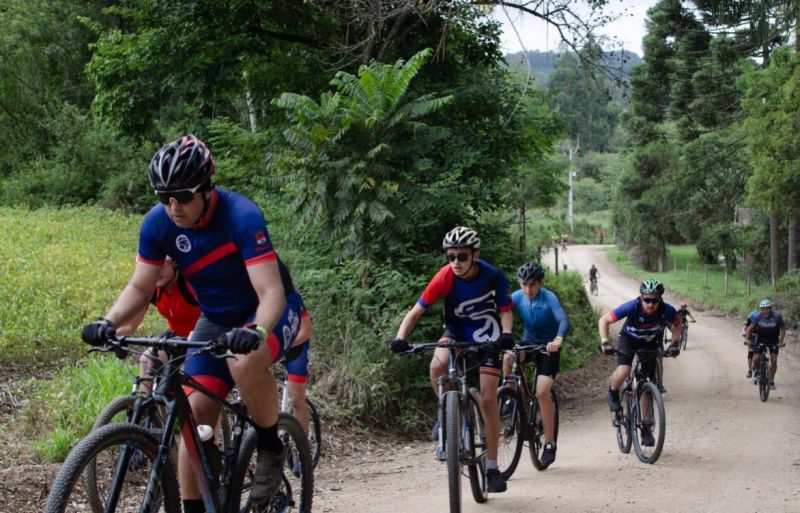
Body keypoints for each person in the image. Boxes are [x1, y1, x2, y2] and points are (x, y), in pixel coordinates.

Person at [81, 134, 302, 512]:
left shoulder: (241, 216)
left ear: (206, 188)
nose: (173, 206)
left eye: (183, 196)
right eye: (163, 196)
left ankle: (270, 446)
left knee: (245, 359)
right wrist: (109, 321)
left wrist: (256, 332)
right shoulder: (158, 224)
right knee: (192, 419)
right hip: (215, 318)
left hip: (268, 310)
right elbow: (140, 285)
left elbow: (271, 293)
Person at [390, 226, 513, 493]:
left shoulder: (493, 276)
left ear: (475, 255)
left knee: (489, 398)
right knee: (436, 366)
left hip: (489, 336)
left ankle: (492, 467)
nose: (456, 262)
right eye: (451, 256)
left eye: (462, 256)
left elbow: (505, 311)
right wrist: (400, 338)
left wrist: (506, 334)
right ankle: (446, 413)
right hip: (456, 332)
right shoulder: (445, 276)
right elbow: (416, 311)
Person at [599, 279, 682, 447]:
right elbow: (604, 320)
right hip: (629, 339)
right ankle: (613, 391)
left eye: (654, 300)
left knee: (647, 383)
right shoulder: (632, 307)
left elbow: (678, 323)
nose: (650, 304)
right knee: (623, 370)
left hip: (651, 342)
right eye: (647, 299)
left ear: (660, 299)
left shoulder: (667, 310)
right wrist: (605, 341)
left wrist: (674, 343)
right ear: (641, 297)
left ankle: (645, 428)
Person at [506, 261, 569, 467]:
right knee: (508, 357)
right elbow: (501, 310)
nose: (528, 289)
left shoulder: (549, 297)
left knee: (542, 392)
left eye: (532, 285)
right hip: (529, 342)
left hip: (549, 346)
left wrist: (558, 339)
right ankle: (511, 396)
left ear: (541, 283)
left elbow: (563, 320)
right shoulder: (517, 296)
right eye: (524, 284)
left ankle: (549, 444)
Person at [115, 257, 201, 391]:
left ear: (174, 263)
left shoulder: (190, 283)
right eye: (151, 267)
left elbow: (215, 311)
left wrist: (200, 333)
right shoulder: (152, 289)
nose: (155, 272)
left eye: (161, 266)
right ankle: (148, 408)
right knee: (147, 360)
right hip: (177, 341)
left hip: (202, 340)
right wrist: (109, 333)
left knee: (188, 376)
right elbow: (129, 326)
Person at [744, 299, 786, 390]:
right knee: (756, 358)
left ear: (770, 309)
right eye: (763, 309)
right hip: (760, 339)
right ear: (761, 310)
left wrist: (781, 341)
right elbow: (749, 328)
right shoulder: (758, 316)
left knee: (774, 360)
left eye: (767, 309)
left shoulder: (777, 316)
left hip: (773, 340)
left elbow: (783, 328)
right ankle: (757, 371)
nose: (765, 311)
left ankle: (771, 381)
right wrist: (747, 339)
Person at [742, 309, 759, 379]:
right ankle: (750, 370)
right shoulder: (749, 319)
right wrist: (744, 334)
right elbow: (744, 328)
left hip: (760, 335)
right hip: (751, 335)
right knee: (751, 353)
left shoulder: (761, 319)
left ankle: (759, 368)